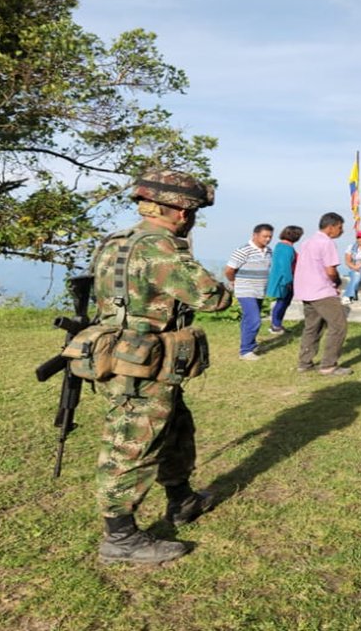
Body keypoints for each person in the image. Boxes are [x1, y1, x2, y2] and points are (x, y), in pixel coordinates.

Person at [89, 168, 233, 565]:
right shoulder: (161, 247)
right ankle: (120, 538)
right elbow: (212, 297)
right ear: (183, 213)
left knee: (174, 428)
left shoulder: (115, 242)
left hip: (132, 356)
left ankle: (181, 499)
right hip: (141, 364)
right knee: (131, 443)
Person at [295, 212, 353, 376]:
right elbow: (330, 270)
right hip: (321, 290)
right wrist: (336, 282)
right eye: (340, 228)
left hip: (305, 289)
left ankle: (304, 363)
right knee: (338, 325)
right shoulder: (326, 243)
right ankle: (328, 365)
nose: (341, 231)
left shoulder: (307, 242)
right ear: (331, 227)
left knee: (312, 327)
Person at [224, 223, 274, 360]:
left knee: (248, 319)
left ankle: (250, 344)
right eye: (265, 236)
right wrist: (233, 281)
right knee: (254, 319)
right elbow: (229, 270)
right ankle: (245, 351)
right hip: (245, 290)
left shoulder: (269, 251)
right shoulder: (243, 250)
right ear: (255, 235)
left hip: (259, 290)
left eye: (270, 236)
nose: (268, 239)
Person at [265, 225, 303, 335]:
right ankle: (275, 325)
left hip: (283, 279)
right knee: (281, 303)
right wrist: (288, 281)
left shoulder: (281, 246)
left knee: (283, 303)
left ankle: (277, 324)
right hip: (284, 280)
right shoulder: (286, 248)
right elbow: (285, 266)